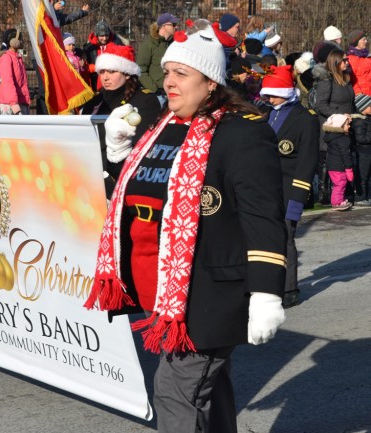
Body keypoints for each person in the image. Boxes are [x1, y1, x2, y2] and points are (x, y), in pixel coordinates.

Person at [85, 26, 287, 432]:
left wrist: (267, 292)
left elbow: (263, 217)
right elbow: (134, 193)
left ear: (210, 81)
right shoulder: (164, 124)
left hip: (208, 289)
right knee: (208, 390)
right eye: (167, 72)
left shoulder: (242, 132)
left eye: (182, 73)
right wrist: (118, 155)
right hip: (160, 285)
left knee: (176, 392)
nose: (169, 82)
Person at [260, 65, 320, 308]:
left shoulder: (305, 119)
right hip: (262, 189)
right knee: (262, 239)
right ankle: (266, 284)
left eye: (273, 94)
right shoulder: (263, 113)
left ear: (286, 92)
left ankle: (289, 289)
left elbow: (306, 163)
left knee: (285, 238)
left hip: (287, 190)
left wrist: (296, 200)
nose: (268, 98)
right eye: (267, 94)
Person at [80, 44, 161, 197]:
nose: (105, 77)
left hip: (124, 179)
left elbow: (141, 146)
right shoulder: (96, 100)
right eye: (102, 71)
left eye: (111, 71)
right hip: (90, 176)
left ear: (127, 73)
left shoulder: (145, 100)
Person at [313, 48, 355, 205]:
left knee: (345, 159)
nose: (347, 63)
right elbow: (321, 105)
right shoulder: (326, 80)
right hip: (331, 128)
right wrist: (339, 116)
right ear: (335, 62)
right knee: (328, 161)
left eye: (347, 60)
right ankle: (325, 194)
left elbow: (350, 102)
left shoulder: (345, 79)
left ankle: (344, 193)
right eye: (344, 60)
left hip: (346, 127)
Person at [137, 12, 179, 102]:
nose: (176, 27)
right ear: (164, 26)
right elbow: (141, 70)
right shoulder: (148, 45)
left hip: (174, 92)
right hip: (158, 96)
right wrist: (155, 89)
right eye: (173, 24)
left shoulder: (174, 44)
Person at [323, 114, 354, 211]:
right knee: (340, 184)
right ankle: (337, 202)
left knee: (337, 184)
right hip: (339, 166)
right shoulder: (342, 139)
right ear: (340, 126)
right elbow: (346, 155)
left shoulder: (331, 137)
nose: (349, 126)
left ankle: (338, 200)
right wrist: (349, 168)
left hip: (331, 165)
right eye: (347, 124)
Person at [0, 28, 31, 115]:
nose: (22, 41)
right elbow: (7, 82)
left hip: (20, 101)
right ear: (13, 41)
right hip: (11, 105)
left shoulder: (18, 57)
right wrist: (14, 104)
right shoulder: (6, 58)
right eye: (20, 39)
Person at [83, 20, 125, 91]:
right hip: (95, 82)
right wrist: (92, 67)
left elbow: (124, 60)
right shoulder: (89, 48)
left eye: (106, 35)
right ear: (97, 35)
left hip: (113, 82)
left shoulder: (117, 44)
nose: (105, 38)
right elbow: (83, 64)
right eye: (102, 36)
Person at [351, 94, 371, 205]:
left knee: (368, 175)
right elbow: (360, 138)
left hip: (368, 150)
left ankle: (368, 196)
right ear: (363, 107)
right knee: (363, 175)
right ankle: (360, 197)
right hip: (362, 151)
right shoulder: (359, 121)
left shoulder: (367, 119)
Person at [346, 30, 371, 97]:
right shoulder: (350, 59)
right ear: (356, 42)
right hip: (362, 96)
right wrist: (359, 95)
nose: (366, 42)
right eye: (363, 40)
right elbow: (352, 80)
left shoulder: (368, 57)